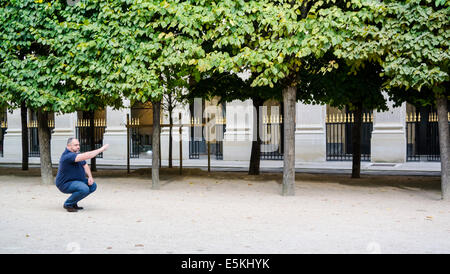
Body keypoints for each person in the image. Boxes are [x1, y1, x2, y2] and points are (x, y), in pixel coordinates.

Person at [55, 137, 109, 212]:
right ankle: (68, 204)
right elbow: (88, 155)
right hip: (65, 183)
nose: (78, 147)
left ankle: (74, 202)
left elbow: (85, 165)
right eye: (75, 145)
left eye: (78, 145)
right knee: (84, 189)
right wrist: (101, 149)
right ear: (68, 146)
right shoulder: (67, 156)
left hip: (76, 181)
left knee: (93, 186)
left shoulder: (76, 154)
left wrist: (90, 177)